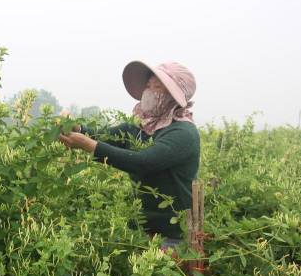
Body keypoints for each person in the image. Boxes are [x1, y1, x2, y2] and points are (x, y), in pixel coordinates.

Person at [58, 61, 200, 255]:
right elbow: (102, 136)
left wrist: (87, 145)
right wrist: (77, 128)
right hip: (139, 230)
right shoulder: (139, 127)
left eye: (157, 87)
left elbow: (142, 162)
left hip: (173, 236)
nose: (149, 92)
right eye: (148, 86)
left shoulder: (183, 132)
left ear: (173, 97)